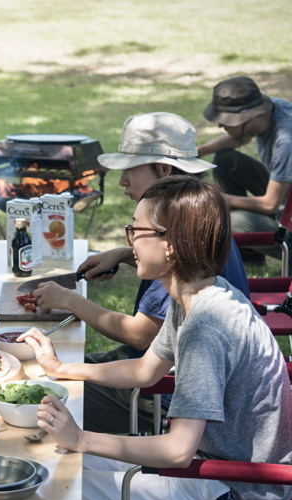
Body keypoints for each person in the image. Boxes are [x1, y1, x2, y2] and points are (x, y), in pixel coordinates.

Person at [22, 176, 292, 500]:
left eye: (135, 229)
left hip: (238, 491)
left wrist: (82, 438)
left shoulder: (205, 326)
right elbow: (147, 371)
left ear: (171, 245)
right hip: (222, 470)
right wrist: (62, 368)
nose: (128, 240)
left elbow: (177, 450)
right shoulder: (198, 292)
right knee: (63, 466)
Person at [32, 112, 249, 434]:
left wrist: (69, 299)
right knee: (48, 371)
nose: (122, 182)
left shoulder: (183, 262)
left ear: (163, 169)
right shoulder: (194, 225)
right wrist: (124, 255)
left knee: (37, 397)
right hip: (154, 368)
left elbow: (140, 334)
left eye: (129, 170)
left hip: (163, 398)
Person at [197, 76, 292, 260]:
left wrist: (220, 199)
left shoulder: (286, 141)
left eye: (225, 120)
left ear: (245, 118)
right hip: (286, 199)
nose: (220, 124)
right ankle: (249, 255)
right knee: (225, 160)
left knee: (230, 221)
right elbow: (243, 136)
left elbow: (270, 204)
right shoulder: (269, 111)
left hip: (285, 212)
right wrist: (200, 150)